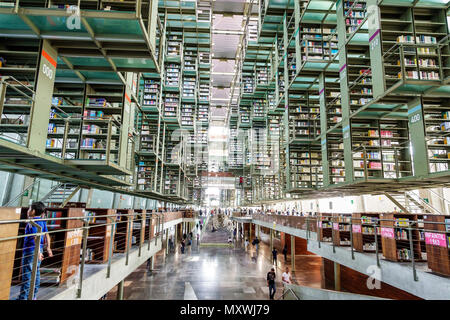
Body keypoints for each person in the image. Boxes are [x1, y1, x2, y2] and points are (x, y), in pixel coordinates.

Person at [18, 201, 53, 300]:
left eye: (29, 209)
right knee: (35, 273)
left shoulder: (32, 222)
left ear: (33, 211)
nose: (28, 211)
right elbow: (47, 234)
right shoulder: (42, 221)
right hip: (38, 249)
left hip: (31, 251)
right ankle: (33, 296)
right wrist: (48, 248)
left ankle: (24, 298)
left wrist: (38, 252)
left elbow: (35, 238)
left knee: (27, 275)